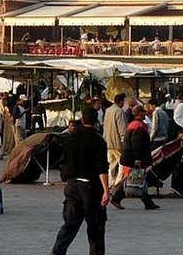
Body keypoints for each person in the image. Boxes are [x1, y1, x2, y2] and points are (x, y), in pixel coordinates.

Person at [50, 108, 109, 255]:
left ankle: (57, 251)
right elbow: (102, 168)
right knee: (95, 227)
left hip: (72, 185)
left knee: (70, 224)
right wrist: (106, 191)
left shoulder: (70, 138)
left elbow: (62, 162)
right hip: (91, 187)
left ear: (82, 120)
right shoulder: (98, 140)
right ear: (96, 122)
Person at [110, 105, 159, 210]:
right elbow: (136, 143)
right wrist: (137, 159)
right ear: (139, 113)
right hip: (135, 158)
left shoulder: (133, 124)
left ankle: (147, 201)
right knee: (136, 179)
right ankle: (119, 198)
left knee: (135, 179)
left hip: (130, 156)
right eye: (143, 112)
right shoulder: (139, 126)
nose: (145, 113)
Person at [103, 93, 127, 187]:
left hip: (108, 142)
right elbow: (122, 129)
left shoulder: (108, 110)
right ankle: (118, 183)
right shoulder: (119, 111)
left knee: (111, 164)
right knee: (121, 163)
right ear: (121, 102)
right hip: (117, 143)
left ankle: (110, 182)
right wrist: (124, 142)